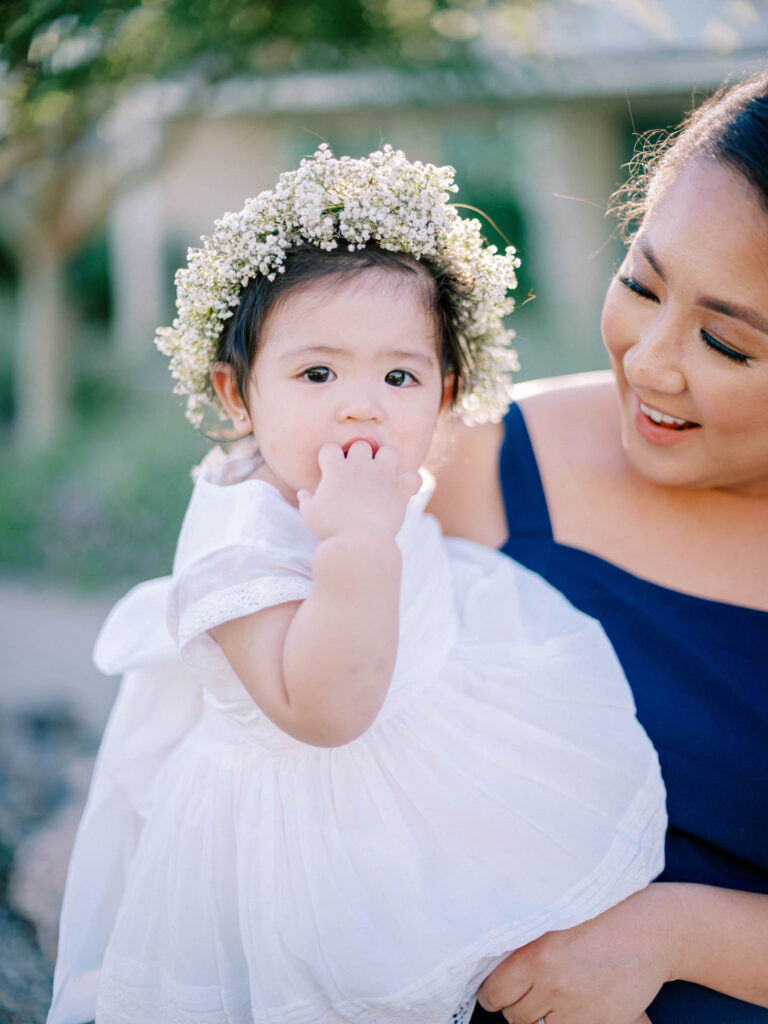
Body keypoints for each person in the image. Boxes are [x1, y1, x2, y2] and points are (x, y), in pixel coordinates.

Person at [47, 146, 666, 1024]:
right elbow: (324, 712)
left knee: (529, 928)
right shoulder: (240, 541)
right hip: (307, 832)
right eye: (317, 373)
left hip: (433, 740)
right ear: (237, 394)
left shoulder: (372, 474)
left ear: (446, 396)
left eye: (400, 376)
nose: (361, 405)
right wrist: (357, 544)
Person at [429, 74, 768, 1024]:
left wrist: (681, 932)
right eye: (641, 284)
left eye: (728, 344)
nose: (652, 360)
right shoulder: (475, 463)